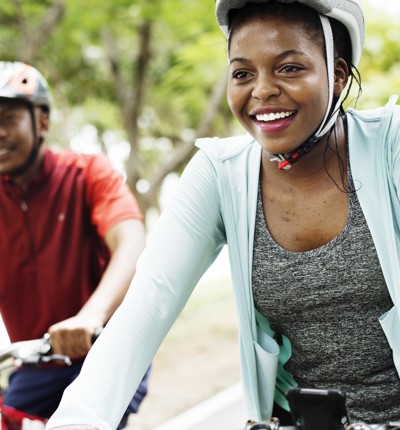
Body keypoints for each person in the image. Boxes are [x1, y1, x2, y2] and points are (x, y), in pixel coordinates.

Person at [46, 0, 400, 428]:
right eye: (242, 73)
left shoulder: (391, 147)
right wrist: (78, 420)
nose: (262, 90)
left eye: (289, 68)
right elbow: (148, 303)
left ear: (338, 74)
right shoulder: (221, 173)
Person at [0, 61, 151, 429]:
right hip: (37, 361)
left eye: (8, 119)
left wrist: (91, 315)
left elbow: (130, 241)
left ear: (43, 122)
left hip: (107, 352)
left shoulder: (87, 174)